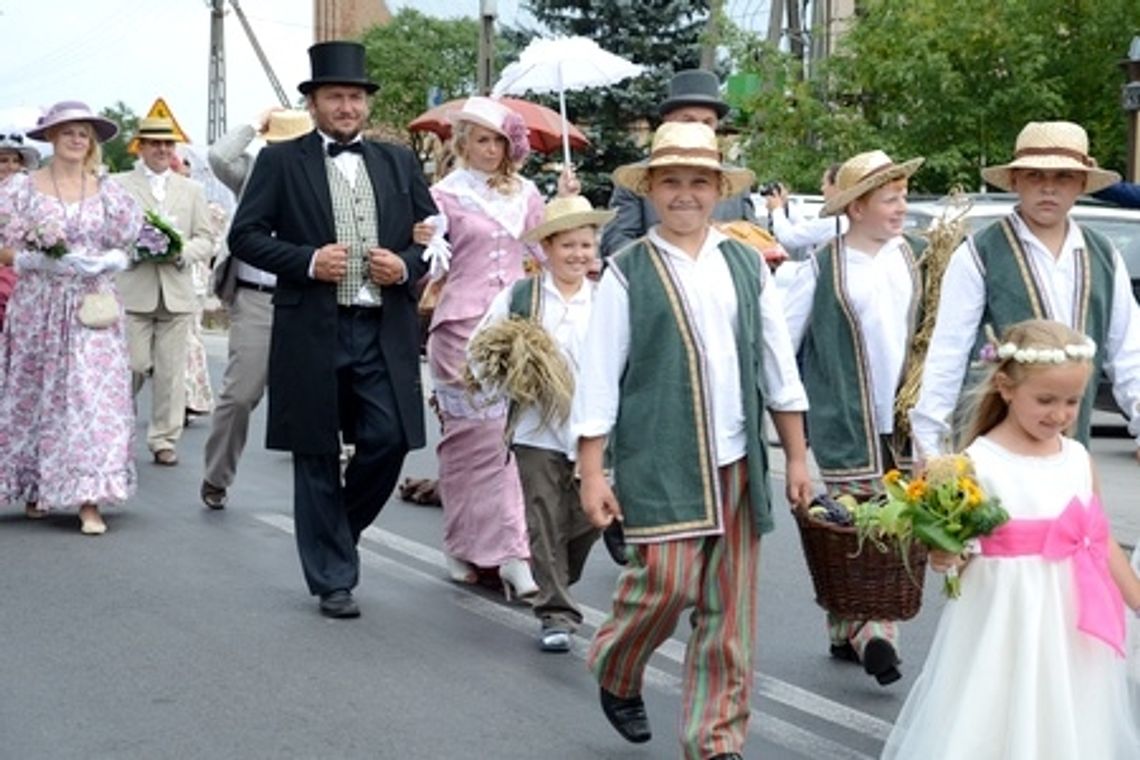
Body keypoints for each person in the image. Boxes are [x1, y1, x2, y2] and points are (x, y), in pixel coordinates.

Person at [573, 121, 813, 760]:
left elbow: (776, 365)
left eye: (699, 181)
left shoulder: (745, 264)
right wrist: (592, 472)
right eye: (671, 181)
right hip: (660, 457)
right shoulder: (628, 272)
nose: (685, 194)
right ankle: (617, 664)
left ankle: (715, 740)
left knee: (729, 614)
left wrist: (795, 456)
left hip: (736, 460)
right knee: (668, 584)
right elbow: (599, 377)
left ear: (718, 190)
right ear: (650, 189)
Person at [228, 41, 436, 619]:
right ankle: (333, 579)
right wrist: (308, 261)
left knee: (391, 438)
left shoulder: (397, 162)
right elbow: (243, 237)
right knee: (316, 449)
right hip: (312, 326)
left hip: (381, 324)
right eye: (334, 97)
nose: (346, 107)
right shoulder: (279, 161)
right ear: (314, 102)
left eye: (354, 97)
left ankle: (334, 533)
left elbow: (432, 237)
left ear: (366, 105)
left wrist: (406, 265)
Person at [883, 319, 1140, 760]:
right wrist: (944, 553)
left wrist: (1136, 598)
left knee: (1066, 718)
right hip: (1003, 618)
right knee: (994, 716)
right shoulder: (976, 463)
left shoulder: (1077, 458)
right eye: (1045, 400)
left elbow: (1098, 539)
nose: (1059, 414)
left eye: (1073, 403)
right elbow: (953, 550)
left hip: (1070, 623)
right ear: (1005, 387)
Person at [909, 120, 1140, 461]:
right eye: (1035, 176)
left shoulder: (1103, 255)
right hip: (994, 445)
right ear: (1015, 181)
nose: (1048, 188)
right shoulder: (980, 252)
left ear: (1082, 184)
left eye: (1063, 177)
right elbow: (948, 352)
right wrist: (928, 447)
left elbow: (1129, 350)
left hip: (1071, 446)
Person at [782, 149, 926, 685]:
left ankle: (847, 629)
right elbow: (783, 344)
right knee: (861, 528)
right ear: (857, 207)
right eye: (890, 199)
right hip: (844, 418)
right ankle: (875, 634)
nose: (901, 207)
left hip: (903, 420)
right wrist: (791, 422)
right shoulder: (821, 266)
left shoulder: (911, 258)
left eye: (902, 196)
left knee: (896, 528)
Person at [468, 194, 615, 651]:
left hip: (594, 430)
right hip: (537, 429)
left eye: (586, 246)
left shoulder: (608, 298)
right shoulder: (520, 297)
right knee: (543, 514)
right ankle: (555, 611)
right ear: (546, 249)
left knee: (589, 519)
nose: (578, 255)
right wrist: (509, 378)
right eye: (568, 245)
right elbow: (480, 350)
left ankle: (557, 575)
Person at [0, 101, 142, 535]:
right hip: (38, 305)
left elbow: (132, 241)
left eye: (84, 133)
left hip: (91, 309)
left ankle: (88, 499)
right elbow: (3, 246)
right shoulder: (21, 189)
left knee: (93, 399)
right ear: (50, 138)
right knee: (37, 392)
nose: (77, 139)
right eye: (68, 132)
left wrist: (113, 259)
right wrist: (34, 262)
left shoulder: (108, 191)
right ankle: (37, 486)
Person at [426, 95, 543, 598]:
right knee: (469, 439)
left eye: (498, 139)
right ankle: (462, 542)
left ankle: (513, 554)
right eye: (480, 138)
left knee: (511, 437)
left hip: (516, 328)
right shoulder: (442, 195)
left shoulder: (528, 193)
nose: (489, 148)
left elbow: (545, 250)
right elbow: (430, 265)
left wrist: (568, 217)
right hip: (461, 328)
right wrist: (424, 241)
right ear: (463, 142)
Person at [199, 108, 313, 509]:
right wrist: (255, 123)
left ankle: (334, 474)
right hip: (257, 297)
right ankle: (216, 476)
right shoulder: (251, 173)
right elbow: (217, 157)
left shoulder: (325, 179)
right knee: (242, 392)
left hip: (308, 296)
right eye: (281, 143)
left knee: (325, 385)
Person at [113, 115, 216, 466]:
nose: (162, 150)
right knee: (133, 364)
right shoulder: (118, 184)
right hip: (133, 289)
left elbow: (206, 239)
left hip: (176, 291)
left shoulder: (192, 190)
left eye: (168, 144)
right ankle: (114, 430)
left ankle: (163, 439)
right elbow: (107, 233)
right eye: (154, 143)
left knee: (172, 372)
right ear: (140, 147)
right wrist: (133, 249)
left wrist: (180, 253)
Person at [600, 69, 756, 257]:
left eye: (707, 122)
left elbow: (753, 238)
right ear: (667, 122)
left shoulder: (735, 182)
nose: (698, 128)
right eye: (688, 120)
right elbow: (616, 243)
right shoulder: (637, 179)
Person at [0, 128, 41, 327]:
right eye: (3, 160)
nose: (10, 166)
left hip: (19, 266)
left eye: (15, 161)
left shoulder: (29, 189)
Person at [764, 162, 849, 256]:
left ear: (836, 186)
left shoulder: (834, 222)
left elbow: (788, 238)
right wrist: (786, 204)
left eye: (824, 183)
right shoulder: (843, 219)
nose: (822, 189)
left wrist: (776, 209)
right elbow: (807, 229)